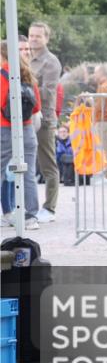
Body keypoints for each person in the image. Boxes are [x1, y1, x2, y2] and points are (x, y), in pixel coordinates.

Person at [0, 43, 42, 229]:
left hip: (4, 129)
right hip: (27, 128)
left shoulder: (2, 75)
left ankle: (8, 212)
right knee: (29, 173)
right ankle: (31, 216)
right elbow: (37, 106)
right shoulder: (27, 74)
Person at [28, 21, 61, 218]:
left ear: (46, 38)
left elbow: (48, 93)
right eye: (31, 35)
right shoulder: (25, 57)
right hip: (26, 118)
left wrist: (24, 88)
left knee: (48, 164)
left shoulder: (51, 62)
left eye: (38, 36)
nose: (33, 39)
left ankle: (50, 207)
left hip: (45, 118)